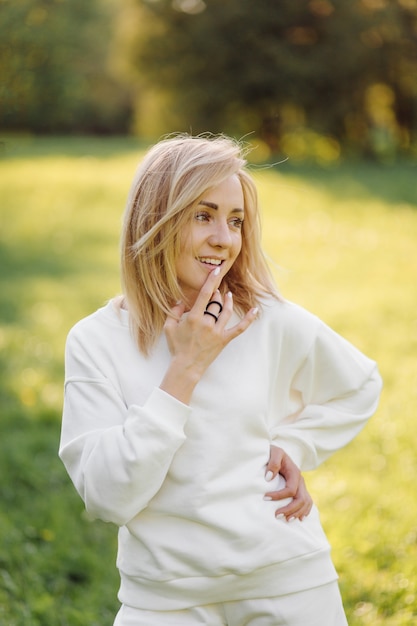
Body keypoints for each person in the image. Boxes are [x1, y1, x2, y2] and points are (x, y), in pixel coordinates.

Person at [59, 134, 382, 626]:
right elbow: (107, 497)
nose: (224, 239)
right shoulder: (95, 341)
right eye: (203, 215)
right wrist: (184, 369)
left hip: (287, 579)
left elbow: (359, 385)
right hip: (163, 597)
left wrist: (295, 444)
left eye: (235, 221)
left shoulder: (267, 319)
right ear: (155, 220)